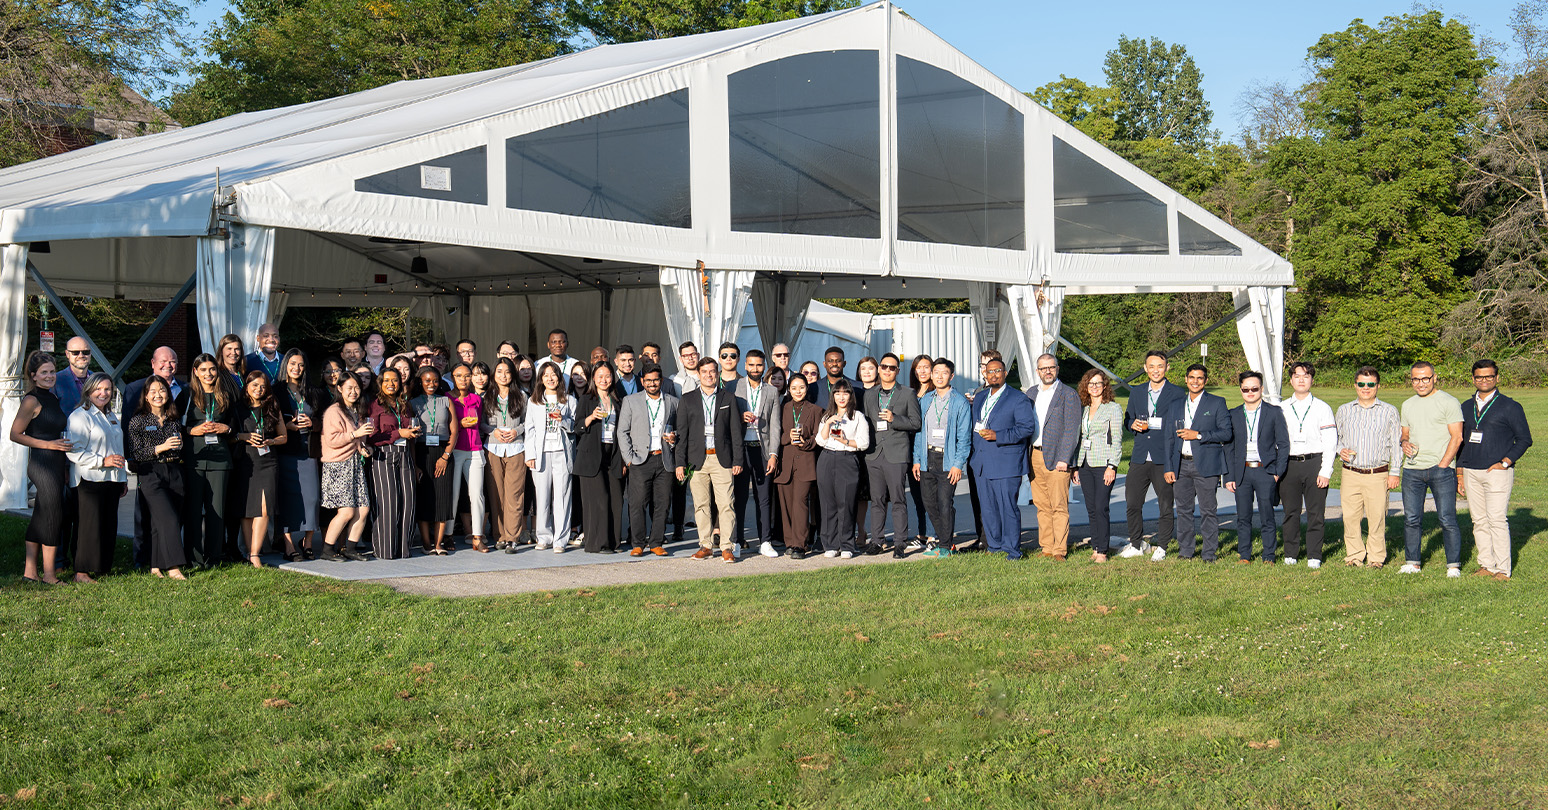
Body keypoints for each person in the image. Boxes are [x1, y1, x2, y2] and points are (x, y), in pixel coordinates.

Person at [1457, 360, 1532, 580]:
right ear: (1473, 379)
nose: (1484, 380)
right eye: (1479, 377)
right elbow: (1459, 442)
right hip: (1471, 471)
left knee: (1497, 519)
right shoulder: (1464, 407)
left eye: (1489, 376)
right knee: (1478, 520)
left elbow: (1525, 439)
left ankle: (1502, 569)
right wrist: (1460, 473)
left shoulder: (1510, 406)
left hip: (1497, 471)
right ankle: (1486, 565)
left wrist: (1506, 461)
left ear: (1497, 378)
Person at [9, 351, 73, 583]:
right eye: (44, 372)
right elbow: (15, 434)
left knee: (40, 516)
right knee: (53, 515)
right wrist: (48, 444)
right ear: (33, 376)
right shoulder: (31, 400)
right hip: (41, 464)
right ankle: (49, 574)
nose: (50, 376)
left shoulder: (52, 398)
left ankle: (30, 572)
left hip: (56, 464)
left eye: (52, 372)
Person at [1397, 361, 1465, 576]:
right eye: (1416, 379)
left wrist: (1444, 464)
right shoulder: (1408, 404)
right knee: (1411, 519)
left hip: (1441, 470)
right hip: (1412, 470)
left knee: (1447, 519)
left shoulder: (1449, 402)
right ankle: (1413, 562)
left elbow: (1457, 436)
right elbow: (1405, 433)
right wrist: (1404, 443)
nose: (1421, 383)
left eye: (1425, 378)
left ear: (1434, 377)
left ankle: (1453, 565)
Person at [676, 357, 745, 563]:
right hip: (697, 460)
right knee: (701, 505)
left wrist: (738, 460)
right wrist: (680, 462)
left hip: (721, 458)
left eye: (712, 371)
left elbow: (735, 432)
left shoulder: (728, 398)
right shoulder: (687, 399)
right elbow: (682, 434)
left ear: (717, 373)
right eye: (704, 371)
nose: (708, 375)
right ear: (698, 374)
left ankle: (726, 547)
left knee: (726, 504)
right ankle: (705, 545)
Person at [1161, 365, 1231, 562]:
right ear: (1186, 379)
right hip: (1181, 465)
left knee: (1208, 510)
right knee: (1183, 510)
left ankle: (1209, 553)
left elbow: (1226, 433)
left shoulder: (1217, 403)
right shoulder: (1175, 405)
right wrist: (1168, 467)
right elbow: (1168, 439)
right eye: (1191, 377)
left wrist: (1198, 435)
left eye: (1200, 378)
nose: (1195, 381)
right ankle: (1186, 551)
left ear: (1205, 381)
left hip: (1206, 465)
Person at [1334, 367, 1402, 568]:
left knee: (1377, 517)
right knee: (1350, 517)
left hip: (1377, 473)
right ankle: (1354, 555)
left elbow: (1395, 444)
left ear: (1378, 386)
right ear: (1355, 385)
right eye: (1362, 384)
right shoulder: (1344, 410)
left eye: (1370, 384)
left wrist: (1395, 472)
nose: (1366, 388)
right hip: (1351, 473)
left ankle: (1376, 557)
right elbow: (1335, 439)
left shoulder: (1389, 411)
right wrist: (1340, 450)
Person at [968, 359, 1036, 560]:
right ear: (985, 375)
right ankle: (995, 546)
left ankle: (1013, 550)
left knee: (1008, 508)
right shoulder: (980, 398)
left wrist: (998, 435)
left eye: (998, 371)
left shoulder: (1017, 398)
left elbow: (1026, 428)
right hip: (981, 462)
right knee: (987, 508)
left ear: (1005, 373)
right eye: (989, 372)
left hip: (1006, 462)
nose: (994, 374)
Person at [1121, 351, 1186, 560]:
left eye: (1160, 366)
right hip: (1140, 455)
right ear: (1145, 368)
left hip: (1164, 457)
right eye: (1151, 366)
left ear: (1167, 367)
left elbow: (1181, 422)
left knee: (1165, 504)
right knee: (1132, 503)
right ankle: (1136, 543)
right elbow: (1128, 417)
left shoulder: (1177, 393)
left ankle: (1163, 546)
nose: (1155, 370)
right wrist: (1131, 424)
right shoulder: (1137, 392)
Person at [176, 354, 238, 568]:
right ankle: (193, 558)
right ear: (195, 371)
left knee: (217, 510)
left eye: (212, 369)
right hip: (194, 459)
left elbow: (236, 427)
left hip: (220, 461)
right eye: (203, 370)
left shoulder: (226, 395)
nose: (208, 374)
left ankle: (215, 557)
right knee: (193, 511)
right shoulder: (186, 394)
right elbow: (173, 427)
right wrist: (192, 430)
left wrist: (226, 429)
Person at [67, 373, 129, 582]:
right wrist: (103, 461)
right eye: (99, 389)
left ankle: (102, 566)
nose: (103, 393)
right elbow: (74, 451)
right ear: (88, 390)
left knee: (108, 524)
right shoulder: (79, 416)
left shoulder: (110, 416)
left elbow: (117, 449)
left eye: (108, 389)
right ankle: (81, 572)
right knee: (88, 526)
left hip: (111, 479)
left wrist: (122, 478)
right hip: (89, 478)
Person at [127, 376, 188, 579]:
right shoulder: (138, 421)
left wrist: (179, 446)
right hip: (150, 472)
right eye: (152, 391)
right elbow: (137, 453)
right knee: (168, 517)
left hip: (175, 471)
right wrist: (161, 447)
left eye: (162, 390)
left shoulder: (174, 419)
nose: (158, 395)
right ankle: (173, 566)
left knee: (162, 521)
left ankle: (155, 565)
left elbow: (180, 446)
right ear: (145, 396)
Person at [1277, 362, 1338, 568]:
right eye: (1297, 376)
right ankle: (1291, 553)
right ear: (1291, 380)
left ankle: (1314, 555)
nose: (1301, 380)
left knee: (1315, 513)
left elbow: (1330, 442)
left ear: (1312, 379)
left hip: (1314, 463)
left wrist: (1325, 471)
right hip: (1289, 465)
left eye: (1306, 376)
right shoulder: (1281, 408)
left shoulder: (1322, 408)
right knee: (1290, 512)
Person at [1225, 371, 1290, 564]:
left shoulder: (1274, 412)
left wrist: (1277, 472)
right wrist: (1229, 476)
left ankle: (1268, 555)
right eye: (1246, 389)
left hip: (1265, 471)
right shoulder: (1233, 414)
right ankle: (1245, 555)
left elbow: (1284, 444)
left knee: (1267, 516)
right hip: (1241, 472)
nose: (1250, 392)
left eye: (1254, 388)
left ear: (1261, 389)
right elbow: (1228, 448)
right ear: (1241, 390)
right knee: (1243, 517)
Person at [862, 353, 920, 558]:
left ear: (898, 371)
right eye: (884, 367)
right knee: (876, 500)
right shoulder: (869, 394)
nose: (887, 370)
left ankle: (899, 543)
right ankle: (877, 541)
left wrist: (895, 419)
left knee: (897, 499)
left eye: (892, 368)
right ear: (879, 369)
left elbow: (916, 423)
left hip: (896, 453)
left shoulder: (907, 393)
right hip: (874, 453)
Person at [912, 358, 970, 559]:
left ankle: (946, 545)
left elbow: (964, 437)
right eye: (935, 372)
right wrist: (917, 459)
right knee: (929, 503)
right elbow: (919, 432)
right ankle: (945, 540)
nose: (938, 376)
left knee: (944, 502)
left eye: (943, 372)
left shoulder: (960, 402)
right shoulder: (926, 400)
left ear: (951, 376)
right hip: (927, 457)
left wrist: (957, 464)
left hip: (948, 458)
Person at [1024, 354, 1081, 560]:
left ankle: (1059, 550)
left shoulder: (1068, 394)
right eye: (1043, 368)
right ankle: (1046, 547)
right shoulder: (1031, 393)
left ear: (1057, 369)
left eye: (1051, 367)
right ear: (1037, 371)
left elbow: (1072, 429)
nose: (1047, 371)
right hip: (1035, 456)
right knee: (1041, 505)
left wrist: (1065, 458)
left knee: (1059, 506)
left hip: (1058, 457)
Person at [617, 363, 675, 556]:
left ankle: (656, 542)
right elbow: (622, 431)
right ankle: (638, 543)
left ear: (661, 380)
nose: (652, 383)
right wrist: (629, 459)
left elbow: (681, 430)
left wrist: (674, 437)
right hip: (640, 460)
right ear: (642, 381)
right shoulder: (630, 401)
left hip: (664, 459)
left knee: (663, 503)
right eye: (648, 380)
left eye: (656, 379)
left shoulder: (673, 402)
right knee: (637, 503)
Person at [363, 367, 419, 560]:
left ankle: (403, 550)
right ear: (380, 382)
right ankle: (385, 551)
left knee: (408, 503)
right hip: (383, 456)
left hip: (405, 456)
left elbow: (409, 434)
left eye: (394, 380)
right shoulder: (374, 405)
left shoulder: (405, 405)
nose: (391, 384)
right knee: (388, 504)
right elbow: (370, 437)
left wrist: (411, 434)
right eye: (386, 380)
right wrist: (398, 434)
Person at [318, 371, 372, 561]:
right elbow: (332, 441)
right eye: (349, 388)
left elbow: (359, 440)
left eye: (357, 387)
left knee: (363, 508)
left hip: (355, 464)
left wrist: (365, 448)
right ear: (340, 389)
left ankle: (350, 548)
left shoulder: (358, 411)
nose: (354, 392)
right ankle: (327, 549)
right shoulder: (334, 411)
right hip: (337, 466)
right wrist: (355, 435)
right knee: (346, 511)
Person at [234, 370, 286, 567]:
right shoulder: (238, 408)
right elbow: (231, 435)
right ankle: (249, 551)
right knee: (248, 510)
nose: (258, 389)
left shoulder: (272, 406)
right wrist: (244, 436)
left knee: (264, 510)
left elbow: (284, 436)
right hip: (246, 462)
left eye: (262, 386)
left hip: (268, 462)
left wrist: (271, 440)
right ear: (246, 386)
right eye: (254, 385)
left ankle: (256, 553)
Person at [275, 349, 322, 560]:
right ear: (285, 365)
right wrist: (285, 426)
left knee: (311, 498)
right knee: (287, 499)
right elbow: (267, 421)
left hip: (308, 451)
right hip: (286, 452)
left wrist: (313, 424)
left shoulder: (313, 392)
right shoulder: (276, 390)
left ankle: (308, 540)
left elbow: (324, 419)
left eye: (301, 364)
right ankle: (288, 544)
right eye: (292, 363)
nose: (296, 368)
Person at [574, 361, 626, 554]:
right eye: (600, 376)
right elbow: (577, 426)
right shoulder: (587, 399)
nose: (604, 380)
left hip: (612, 453)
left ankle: (613, 542)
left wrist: (623, 459)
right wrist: (591, 418)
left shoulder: (618, 399)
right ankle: (597, 544)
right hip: (591, 455)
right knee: (598, 499)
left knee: (615, 499)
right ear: (593, 379)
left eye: (607, 376)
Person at [1075, 371, 1126, 563]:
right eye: (1090, 383)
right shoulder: (1084, 408)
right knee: (1091, 508)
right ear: (1085, 386)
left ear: (1105, 386)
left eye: (1098, 383)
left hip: (1104, 463)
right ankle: (1095, 546)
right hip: (1085, 463)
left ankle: (1103, 550)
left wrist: (1112, 466)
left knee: (1101, 506)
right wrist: (1075, 466)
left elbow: (1117, 440)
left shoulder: (1112, 408)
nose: (1094, 387)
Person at [734, 349, 781, 557]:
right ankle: (736, 540)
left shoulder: (771, 391)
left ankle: (765, 541)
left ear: (764, 366)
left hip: (762, 450)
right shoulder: (734, 387)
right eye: (751, 365)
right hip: (741, 449)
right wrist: (739, 415)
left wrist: (773, 454)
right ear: (745, 365)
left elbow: (775, 425)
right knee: (739, 497)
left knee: (764, 498)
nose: (755, 369)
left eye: (759, 365)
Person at [525, 361, 576, 552]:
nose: (550, 378)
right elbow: (529, 430)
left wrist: (564, 421)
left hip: (562, 453)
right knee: (542, 497)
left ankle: (560, 540)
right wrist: (530, 455)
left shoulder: (569, 401)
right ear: (541, 379)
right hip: (541, 454)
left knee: (562, 497)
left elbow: (575, 428)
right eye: (546, 375)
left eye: (553, 374)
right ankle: (544, 537)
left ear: (559, 377)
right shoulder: (534, 401)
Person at [816, 380, 869, 558]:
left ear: (850, 396)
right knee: (828, 503)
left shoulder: (858, 417)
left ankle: (847, 544)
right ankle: (830, 544)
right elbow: (820, 440)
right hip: (827, 458)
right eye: (837, 393)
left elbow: (863, 443)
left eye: (845, 393)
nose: (841, 397)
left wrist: (845, 441)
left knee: (846, 503)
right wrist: (829, 423)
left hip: (847, 459)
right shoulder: (827, 416)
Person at [776, 373, 823, 559]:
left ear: (807, 388)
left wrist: (804, 442)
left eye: (802, 387)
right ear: (789, 389)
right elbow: (775, 434)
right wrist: (788, 437)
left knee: (800, 503)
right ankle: (789, 542)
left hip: (805, 462)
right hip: (785, 462)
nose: (798, 391)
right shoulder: (783, 408)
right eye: (794, 388)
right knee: (786, 505)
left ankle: (800, 545)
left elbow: (818, 437)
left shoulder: (816, 410)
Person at [412, 366, 458, 555]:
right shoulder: (412, 402)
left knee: (442, 499)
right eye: (427, 380)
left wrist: (445, 456)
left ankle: (438, 544)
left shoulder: (446, 401)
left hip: (443, 451)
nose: (432, 384)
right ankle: (426, 544)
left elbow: (454, 431)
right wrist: (414, 464)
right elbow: (412, 439)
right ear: (420, 382)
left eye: (435, 380)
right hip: (422, 452)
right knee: (424, 499)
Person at [483, 358, 528, 553]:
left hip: (516, 448)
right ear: (494, 374)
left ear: (513, 374)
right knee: (497, 494)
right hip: (493, 448)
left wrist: (517, 431)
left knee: (515, 494)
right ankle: (500, 536)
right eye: (499, 371)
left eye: (507, 372)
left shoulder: (522, 396)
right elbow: (480, 424)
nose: (503, 375)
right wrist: (492, 431)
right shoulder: (486, 397)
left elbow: (530, 422)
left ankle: (512, 537)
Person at [445, 363, 489, 552]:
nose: (464, 379)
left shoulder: (476, 399)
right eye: (459, 375)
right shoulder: (446, 399)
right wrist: (459, 424)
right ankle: (447, 535)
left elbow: (479, 423)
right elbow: (442, 426)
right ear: (452, 378)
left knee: (477, 495)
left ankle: (477, 537)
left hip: (475, 449)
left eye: (467, 375)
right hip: (455, 450)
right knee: (453, 494)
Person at [906, 353, 936, 549]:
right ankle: (922, 533)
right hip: (910, 450)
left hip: (930, 451)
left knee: (931, 496)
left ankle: (935, 535)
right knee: (917, 496)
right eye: (919, 368)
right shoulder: (909, 393)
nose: (923, 371)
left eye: (926, 367)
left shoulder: (937, 393)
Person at [122, 346, 184, 418]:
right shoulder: (134, 389)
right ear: (153, 363)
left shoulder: (187, 389)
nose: (168, 365)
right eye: (163, 361)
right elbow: (127, 425)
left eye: (172, 362)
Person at [54, 336, 95, 412]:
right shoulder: (56, 381)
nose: (81, 356)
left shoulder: (97, 380)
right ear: (67, 354)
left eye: (85, 352)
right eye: (75, 353)